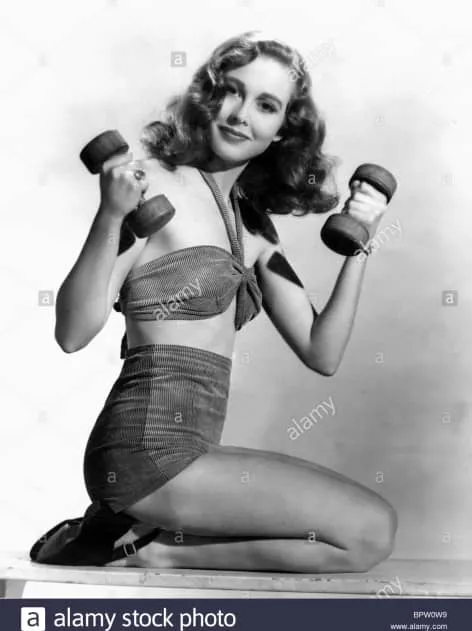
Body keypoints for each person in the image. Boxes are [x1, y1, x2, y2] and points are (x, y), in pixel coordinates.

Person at [37, 30, 397, 573]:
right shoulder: (150, 187)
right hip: (143, 451)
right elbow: (72, 333)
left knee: (368, 537)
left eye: (266, 105)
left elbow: (322, 352)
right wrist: (110, 215)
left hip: (198, 450)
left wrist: (362, 241)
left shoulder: (255, 228)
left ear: (283, 130)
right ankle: (138, 549)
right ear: (208, 96)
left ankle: (140, 545)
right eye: (231, 91)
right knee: (366, 528)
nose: (240, 114)